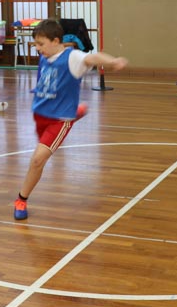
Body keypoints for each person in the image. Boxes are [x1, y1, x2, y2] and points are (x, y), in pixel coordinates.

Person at [14, 19, 127, 220]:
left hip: (59, 120)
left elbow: (93, 57)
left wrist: (112, 61)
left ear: (56, 40)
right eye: (36, 44)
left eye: (41, 44)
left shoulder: (72, 57)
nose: (37, 48)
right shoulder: (45, 57)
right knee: (38, 159)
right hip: (40, 115)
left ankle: (21, 199)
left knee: (37, 160)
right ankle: (76, 111)